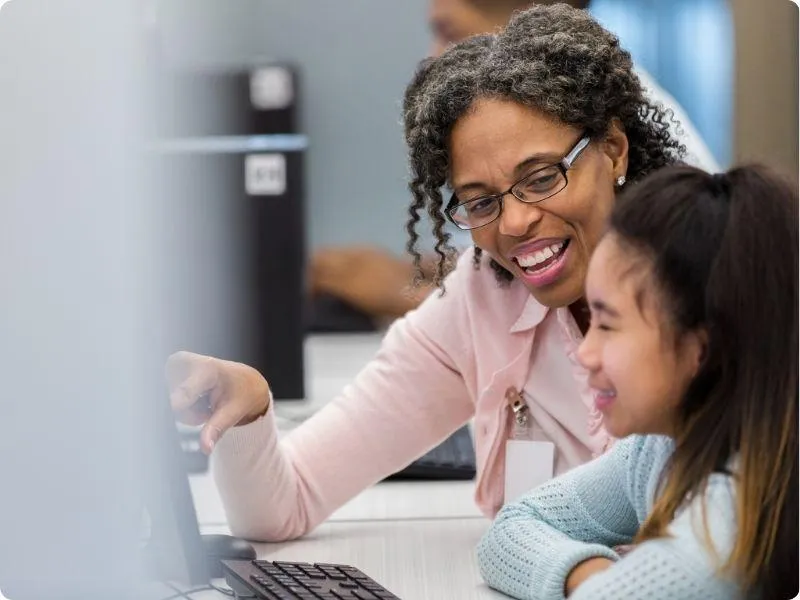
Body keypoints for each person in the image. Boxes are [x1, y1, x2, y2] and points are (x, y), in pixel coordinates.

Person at [168, 5, 686, 542]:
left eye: (540, 177)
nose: (514, 221)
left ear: (614, 150)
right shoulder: (483, 296)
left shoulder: (705, 291)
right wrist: (249, 406)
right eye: (479, 202)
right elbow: (282, 506)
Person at [477, 164, 798, 599]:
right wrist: (590, 575)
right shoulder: (660, 448)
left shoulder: (719, 540)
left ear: (701, 349)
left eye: (608, 326)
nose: (586, 353)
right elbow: (511, 528)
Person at [310, 0, 720, 322]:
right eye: (481, 202)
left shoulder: (616, 124)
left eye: (446, 31)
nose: (432, 56)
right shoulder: (512, 141)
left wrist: (402, 290)